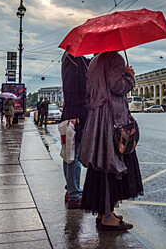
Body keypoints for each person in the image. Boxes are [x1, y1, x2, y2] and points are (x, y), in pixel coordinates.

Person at [78, 52, 143, 230]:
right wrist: (129, 76)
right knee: (111, 165)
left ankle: (103, 212)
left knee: (100, 165)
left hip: (97, 119)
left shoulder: (94, 62)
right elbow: (117, 86)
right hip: (112, 120)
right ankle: (107, 216)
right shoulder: (115, 58)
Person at [60, 52, 90, 209]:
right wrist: (73, 115)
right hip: (76, 114)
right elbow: (70, 86)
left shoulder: (76, 58)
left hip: (74, 113)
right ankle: (75, 195)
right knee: (74, 155)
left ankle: (70, 190)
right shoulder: (72, 58)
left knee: (69, 154)